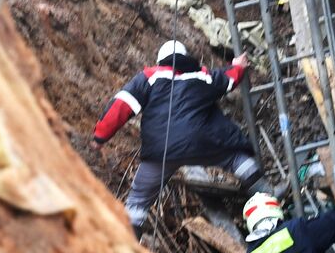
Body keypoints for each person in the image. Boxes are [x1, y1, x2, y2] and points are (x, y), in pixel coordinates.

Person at [91, 40, 262, 234]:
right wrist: (238, 66)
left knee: (138, 200)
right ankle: (266, 194)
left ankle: (129, 248)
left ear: (160, 60)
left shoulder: (148, 77)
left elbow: (121, 105)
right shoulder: (201, 76)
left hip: (161, 150)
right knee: (236, 158)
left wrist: (100, 137)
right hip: (202, 143)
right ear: (186, 56)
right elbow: (228, 79)